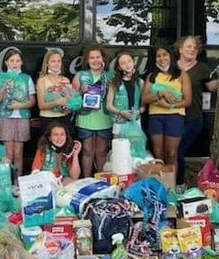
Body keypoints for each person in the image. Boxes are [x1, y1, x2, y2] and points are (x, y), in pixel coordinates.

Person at [175, 35, 219, 186]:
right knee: (171, 153)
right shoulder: (171, 67)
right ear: (180, 49)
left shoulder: (202, 68)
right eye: (188, 46)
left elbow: (211, 87)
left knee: (177, 151)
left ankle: (179, 185)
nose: (192, 49)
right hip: (172, 118)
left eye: (195, 47)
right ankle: (171, 183)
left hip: (193, 118)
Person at [142, 45, 192, 175]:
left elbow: (187, 100)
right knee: (158, 155)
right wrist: (161, 93)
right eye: (158, 56)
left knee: (171, 154)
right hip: (155, 117)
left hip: (175, 116)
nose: (162, 58)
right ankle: (160, 184)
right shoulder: (151, 76)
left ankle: (171, 187)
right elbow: (144, 99)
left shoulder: (181, 74)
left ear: (171, 56)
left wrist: (169, 106)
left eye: (165, 55)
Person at [0, 48, 36, 178]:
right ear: (6, 62)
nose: (15, 63)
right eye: (12, 61)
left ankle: (18, 183)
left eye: (17, 61)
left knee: (18, 153)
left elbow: (32, 101)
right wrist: (4, 88)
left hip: (21, 117)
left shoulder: (26, 78)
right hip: (5, 118)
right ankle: (7, 182)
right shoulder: (0, 78)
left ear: (21, 62)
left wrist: (20, 105)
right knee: (8, 154)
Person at [72, 44, 113, 177]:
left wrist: (110, 88)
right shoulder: (80, 75)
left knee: (102, 152)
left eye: (98, 57)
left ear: (103, 59)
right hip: (85, 118)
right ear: (87, 60)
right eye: (92, 58)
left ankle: (101, 182)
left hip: (105, 118)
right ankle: (87, 180)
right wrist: (80, 91)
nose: (95, 60)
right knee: (87, 151)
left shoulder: (110, 76)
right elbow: (71, 99)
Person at [106, 50, 145, 138]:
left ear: (134, 62)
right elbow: (109, 106)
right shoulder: (114, 83)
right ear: (119, 67)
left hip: (135, 121)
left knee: (134, 149)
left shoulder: (140, 82)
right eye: (123, 63)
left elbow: (144, 106)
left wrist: (138, 111)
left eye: (129, 61)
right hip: (119, 122)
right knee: (119, 148)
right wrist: (121, 112)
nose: (127, 65)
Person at [36, 48, 74, 132]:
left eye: (58, 61)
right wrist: (56, 102)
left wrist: (69, 107)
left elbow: (69, 101)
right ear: (47, 64)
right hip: (48, 120)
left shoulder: (66, 80)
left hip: (64, 118)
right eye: (53, 61)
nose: (56, 64)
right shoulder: (42, 81)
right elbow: (41, 106)